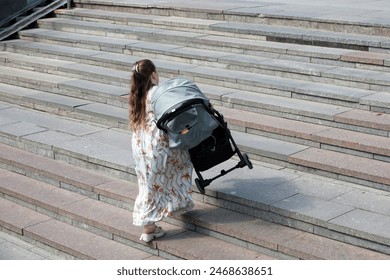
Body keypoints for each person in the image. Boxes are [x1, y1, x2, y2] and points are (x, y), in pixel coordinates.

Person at [129, 59, 194, 242]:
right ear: (153, 75)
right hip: (157, 145)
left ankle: (176, 204)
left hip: (140, 145)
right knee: (180, 164)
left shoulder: (137, 95)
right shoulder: (156, 92)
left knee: (148, 183)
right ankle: (149, 227)